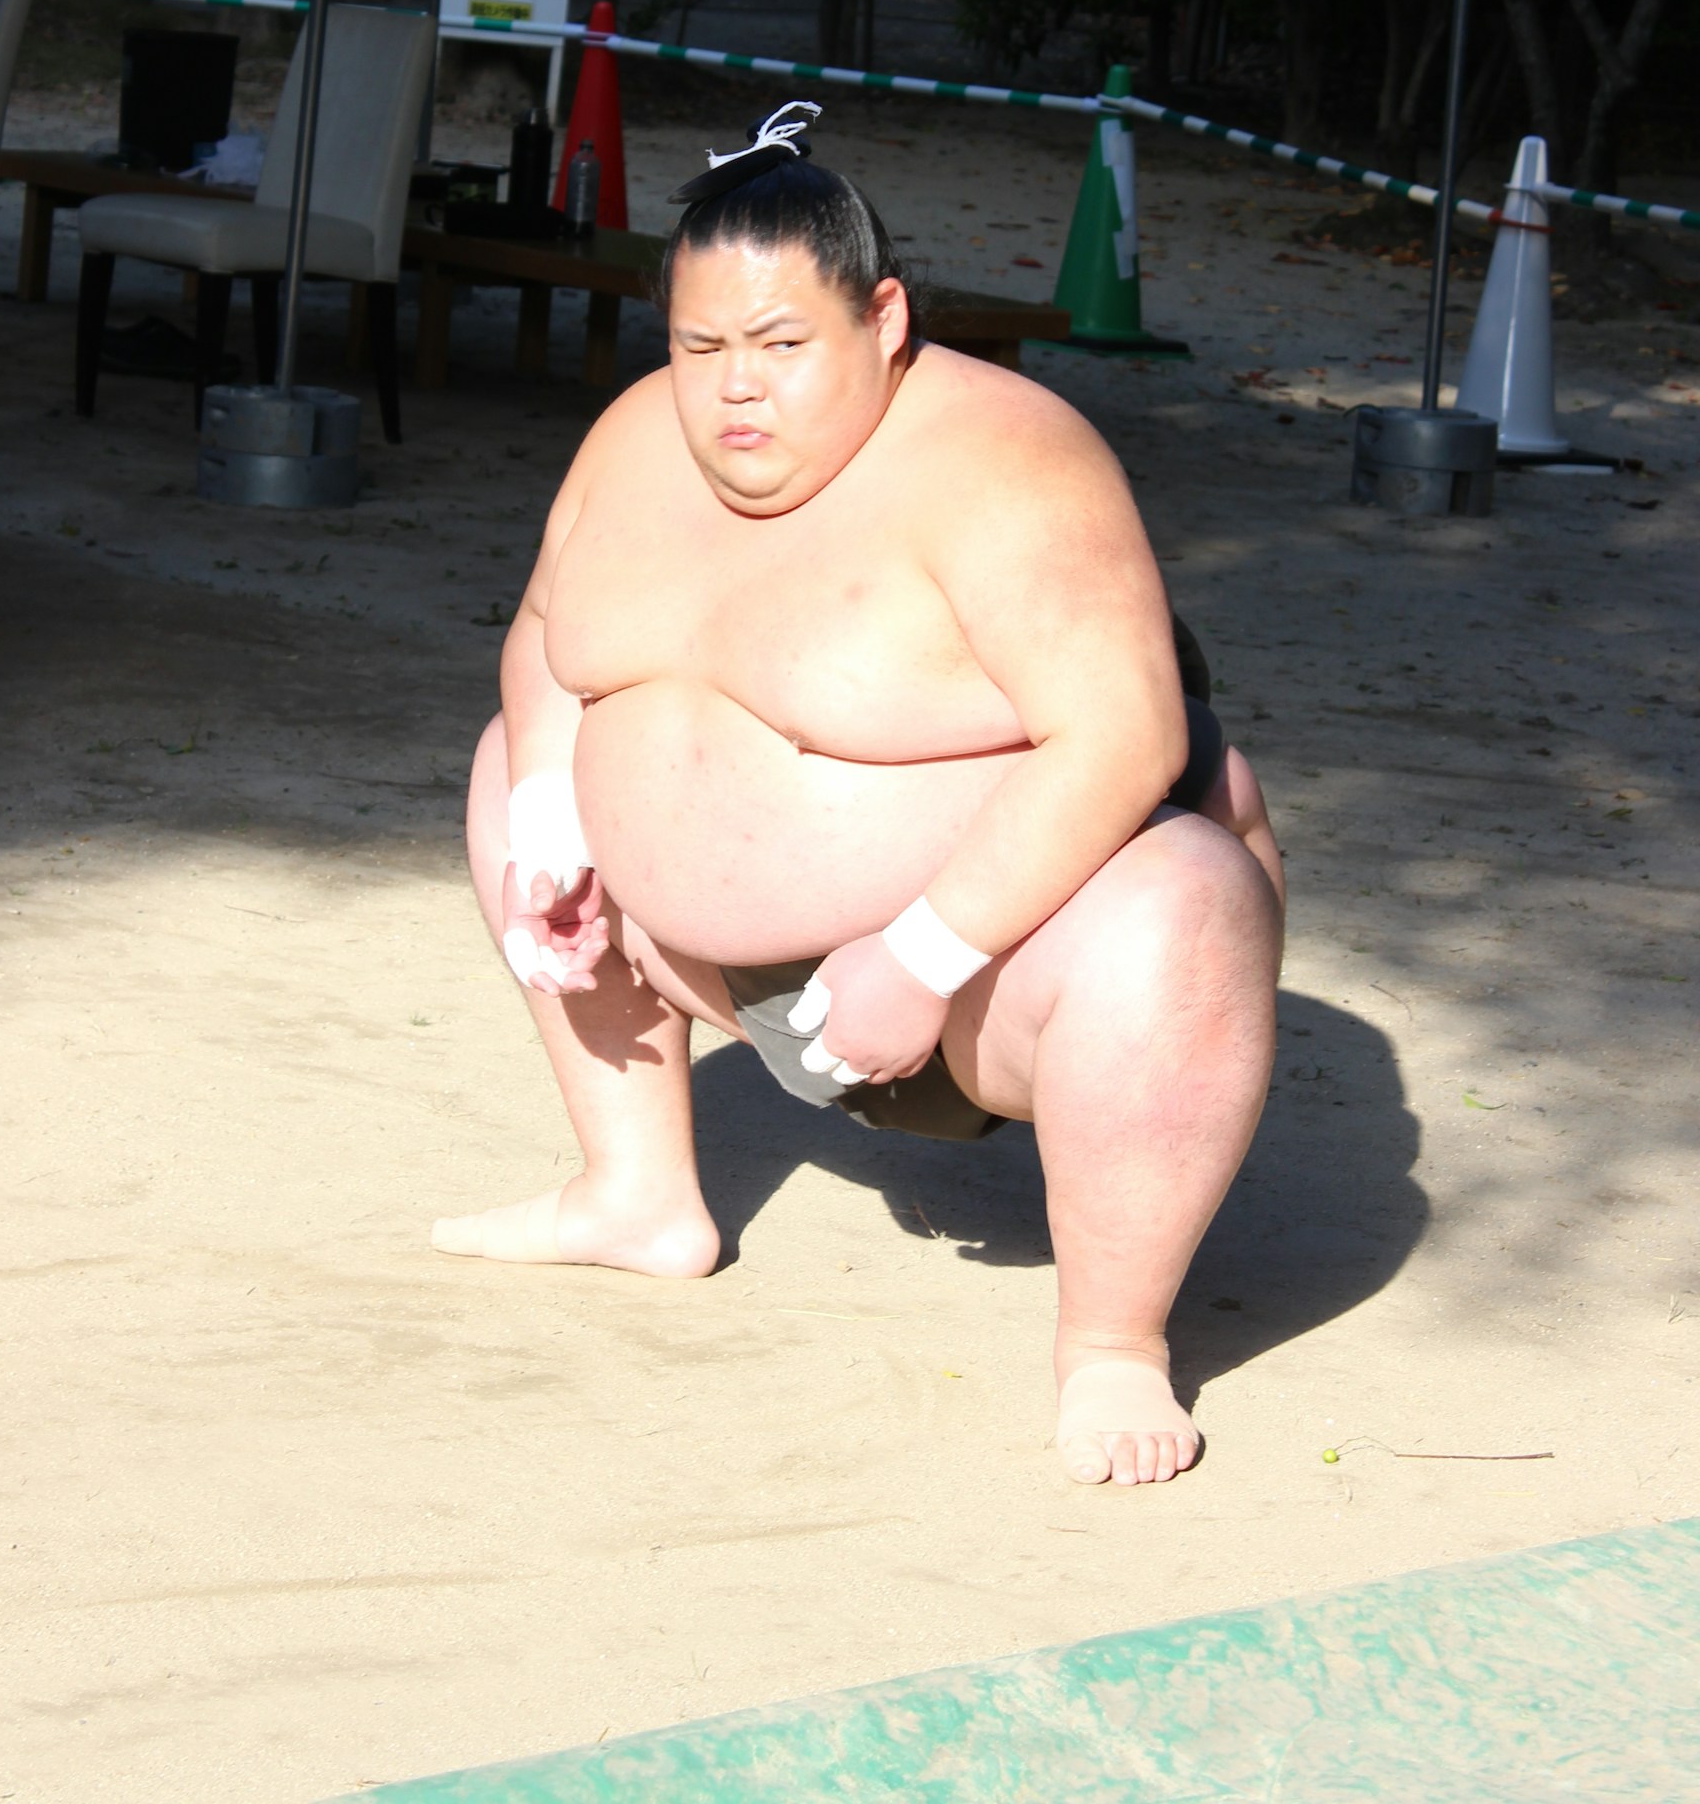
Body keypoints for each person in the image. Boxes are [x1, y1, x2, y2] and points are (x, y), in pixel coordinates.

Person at [435, 104, 1283, 1486]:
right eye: (700, 348)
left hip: (979, 994)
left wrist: (922, 952)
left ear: (881, 319)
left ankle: (1114, 1343)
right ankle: (637, 1194)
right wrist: (546, 827)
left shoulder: (1012, 461)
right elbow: (543, 632)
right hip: (699, 952)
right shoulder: (636, 440)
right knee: (509, 758)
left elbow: (1124, 737)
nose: (733, 394)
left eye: (781, 347)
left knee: (1187, 891)